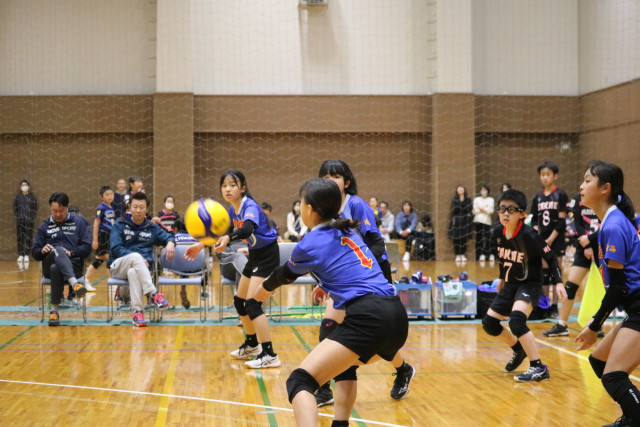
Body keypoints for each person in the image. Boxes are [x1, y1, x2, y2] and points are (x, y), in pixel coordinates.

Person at [252, 178, 409, 427]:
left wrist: (262, 291)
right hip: (397, 316)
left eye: (301, 202)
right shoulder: (348, 230)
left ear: (309, 209)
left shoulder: (311, 241)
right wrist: (325, 285)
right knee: (343, 368)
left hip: (369, 317)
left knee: (300, 382)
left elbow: (285, 274)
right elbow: (349, 267)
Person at [316, 159, 414, 405]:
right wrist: (325, 281)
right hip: (344, 281)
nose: (330, 181)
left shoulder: (356, 205)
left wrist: (372, 277)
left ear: (346, 181)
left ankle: (403, 369)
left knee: (380, 343)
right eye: (325, 177)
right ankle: (325, 389)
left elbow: (377, 244)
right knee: (328, 328)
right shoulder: (324, 209)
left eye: (335, 176)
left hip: (371, 279)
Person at [185, 170, 281, 368]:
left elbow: (247, 229)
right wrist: (201, 245)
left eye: (232, 185)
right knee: (239, 301)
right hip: (254, 254)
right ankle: (252, 345)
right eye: (224, 186)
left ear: (243, 188)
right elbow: (224, 231)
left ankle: (270, 354)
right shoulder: (232, 209)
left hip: (267, 255)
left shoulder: (249, 206)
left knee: (253, 304)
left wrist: (229, 238)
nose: (227, 189)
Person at [574, 161, 640, 427]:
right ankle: (631, 418)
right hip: (634, 308)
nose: (581, 186)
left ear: (605, 189)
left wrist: (595, 325)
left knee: (613, 376)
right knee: (599, 361)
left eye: (587, 180)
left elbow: (618, 288)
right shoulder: (610, 223)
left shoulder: (613, 225)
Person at [482, 189, 566, 382]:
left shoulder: (529, 235)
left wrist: (558, 282)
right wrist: (502, 278)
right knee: (489, 323)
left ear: (522, 214)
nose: (505, 213)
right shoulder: (497, 232)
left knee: (517, 321)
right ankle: (518, 350)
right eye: (502, 209)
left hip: (530, 285)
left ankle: (538, 367)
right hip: (510, 284)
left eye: (511, 209)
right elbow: (504, 258)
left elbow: (551, 257)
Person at [108, 191, 173, 327]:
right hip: (118, 266)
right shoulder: (120, 224)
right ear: (129, 208)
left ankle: (137, 313)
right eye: (135, 207)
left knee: (133, 272)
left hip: (139, 269)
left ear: (146, 209)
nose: (138, 210)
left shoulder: (152, 227)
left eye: (141, 207)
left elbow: (168, 236)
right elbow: (115, 248)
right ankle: (154, 293)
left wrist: (171, 243)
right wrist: (135, 258)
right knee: (136, 257)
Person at [543, 192, 602, 337]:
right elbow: (577, 223)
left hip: (602, 247)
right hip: (583, 247)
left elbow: (608, 224)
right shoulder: (578, 199)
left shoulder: (604, 198)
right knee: (570, 286)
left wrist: (591, 240)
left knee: (602, 288)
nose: (583, 185)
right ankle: (562, 324)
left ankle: (597, 324)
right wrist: (586, 244)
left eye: (588, 181)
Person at [32, 192, 92, 326]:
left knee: (56, 268)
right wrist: (42, 251)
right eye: (54, 211)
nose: (58, 214)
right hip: (48, 266)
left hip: (74, 266)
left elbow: (87, 248)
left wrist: (71, 253)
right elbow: (35, 253)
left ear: (67, 208)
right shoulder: (44, 226)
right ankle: (75, 285)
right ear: (50, 209)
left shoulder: (79, 222)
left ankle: (54, 312)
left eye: (61, 211)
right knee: (57, 250)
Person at [530, 160, 569, 318]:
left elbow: (562, 221)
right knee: (544, 273)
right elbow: (533, 219)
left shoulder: (560, 195)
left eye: (548, 174)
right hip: (542, 240)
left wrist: (551, 238)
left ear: (555, 176)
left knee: (555, 272)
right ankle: (545, 304)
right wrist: (536, 233)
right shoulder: (537, 197)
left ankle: (554, 306)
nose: (545, 177)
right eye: (542, 175)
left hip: (556, 239)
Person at [84, 186, 116, 292]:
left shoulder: (111, 207)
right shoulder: (101, 208)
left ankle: (87, 280)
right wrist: (95, 240)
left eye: (111, 194)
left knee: (101, 259)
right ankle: (111, 282)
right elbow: (96, 223)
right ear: (101, 197)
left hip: (110, 235)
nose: (110, 196)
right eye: (107, 195)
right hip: (103, 235)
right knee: (106, 258)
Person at [14, 179, 38, 270]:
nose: (24, 186)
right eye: (22, 185)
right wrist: (18, 216)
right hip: (20, 220)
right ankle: (21, 255)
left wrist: (31, 217)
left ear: (28, 186)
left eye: (25, 185)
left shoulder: (32, 197)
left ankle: (27, 255)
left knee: (28, 237)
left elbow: (35, 208)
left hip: (29, 221)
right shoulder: (18, 197)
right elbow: (15, 208)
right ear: (20, 187)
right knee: (20, 237)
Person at [448, 185, 473, 262]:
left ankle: (463, 254)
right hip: (456, 221)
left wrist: (462, 203)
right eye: (459, 189)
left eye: (462, 188)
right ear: (457, 190)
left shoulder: (468, 199)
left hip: (465, 221)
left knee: (464, 238)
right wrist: (461, 203)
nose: (460, 190)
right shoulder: (454, 199)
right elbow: (454, 210)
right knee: (456, 238)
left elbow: (469, 209)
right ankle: (457, 254)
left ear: (464, 190)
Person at [473, 184, 495, 262]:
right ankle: (478, 255)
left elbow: (491, 211)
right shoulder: (476, 199)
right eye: (482, 190)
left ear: (487, 191)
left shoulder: (491, 199)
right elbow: (474, 211)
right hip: (478, 221)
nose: (483, 191)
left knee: (487, 239)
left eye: (485, 190)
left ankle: (487, 255)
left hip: (487, 222)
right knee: (479, 239)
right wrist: (485, 209)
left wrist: (482, 209)